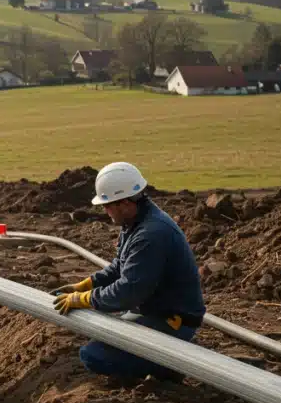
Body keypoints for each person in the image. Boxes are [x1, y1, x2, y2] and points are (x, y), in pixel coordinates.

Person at [53, 162, 206, 382]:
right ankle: (163, 358)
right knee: (101, 332)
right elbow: (120, 267)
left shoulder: (150, 234)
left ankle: (168, 365)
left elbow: (128, 292)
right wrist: (86, 285)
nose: (105, 211)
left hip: (172, 321)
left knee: (94, 356)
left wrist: (85, 299)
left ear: (125, 203)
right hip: (155, 310)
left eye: (108, 205)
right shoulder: (137, 221)